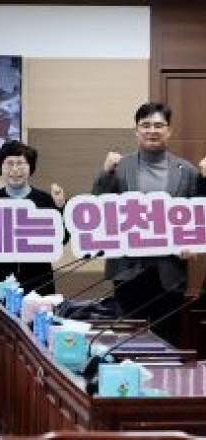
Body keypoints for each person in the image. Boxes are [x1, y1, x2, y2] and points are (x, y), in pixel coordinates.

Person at [92, 102, 199, 344]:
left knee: (168, 342)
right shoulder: (119, 167)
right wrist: (105, 173)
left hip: (169, 273)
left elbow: (197, 218)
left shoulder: (187, 172)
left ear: (169, 130)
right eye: (146, 125)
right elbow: (97, 209)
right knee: (126, 343)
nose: (152, 130)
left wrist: (192, 243)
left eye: (159, 125)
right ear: (136, 130)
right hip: (128, 270)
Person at [0, 140, 66, 305]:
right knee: (1, 323)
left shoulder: (45, 200)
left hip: (39, 285)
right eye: (9, 164)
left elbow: (62, 239)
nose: (15, 169)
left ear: (30, 168)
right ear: (0, 168)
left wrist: (61, 207)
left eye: (20, 163)